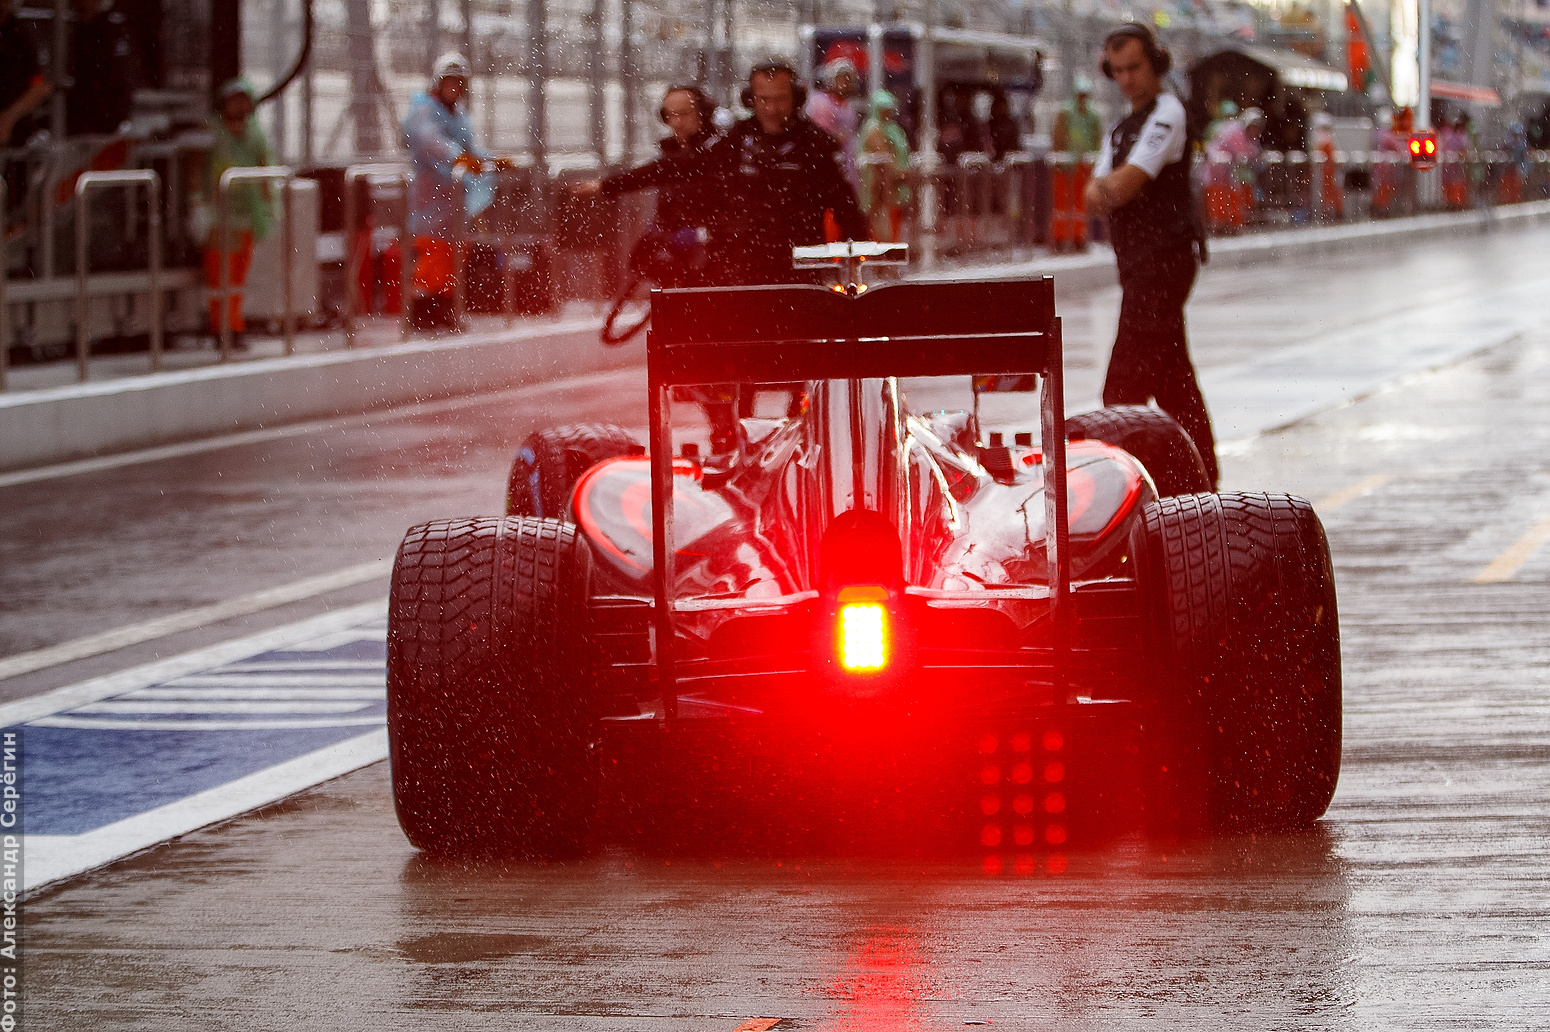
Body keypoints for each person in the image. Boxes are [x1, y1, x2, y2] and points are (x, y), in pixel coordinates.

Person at [1084, 23, 1217, 488]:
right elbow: (1092, 195)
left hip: (1163, 264)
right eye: (1117, 70)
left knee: (1123, 388)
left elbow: (1122, 185)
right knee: (1173, 383)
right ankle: (1201, 481)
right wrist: (1106, 189)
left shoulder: (1167, 113)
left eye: (1134, 68)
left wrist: (1109, 189)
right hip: (1139, 265)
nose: (1126, 79)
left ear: (1156, 64)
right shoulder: (1123, 128)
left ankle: (1124, 487)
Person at [705, 57, 867, 287]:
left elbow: (848, 210)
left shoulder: (817, 145)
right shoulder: (733, 142)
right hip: (742, 271)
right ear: (750, 99)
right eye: (764, 99)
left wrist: (853, 266)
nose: (772, 109)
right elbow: (707, 195)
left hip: (801, 271)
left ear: (796, 98)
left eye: (780, 99)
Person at [571, 84, 719, 290]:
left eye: (684, 114)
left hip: (711, 248)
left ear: (703, 114)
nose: (676, 122)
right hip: (677, 241)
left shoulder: (716, 150)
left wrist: (703, 232)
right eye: (670, 115)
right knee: (643, 260)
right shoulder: (672, 152)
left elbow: (658, 171)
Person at [401, 52, 498, 331]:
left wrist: (489, 160)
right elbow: (431, 142)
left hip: (453, 196)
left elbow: (469, 146)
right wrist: (459, 157)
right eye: (449, 82)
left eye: (459, 83)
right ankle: (423, 309)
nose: (454, 88)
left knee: (454, 251)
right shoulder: (424, 110)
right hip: (430, 194)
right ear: (438, 83)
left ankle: (445, 306)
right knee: (433, 250)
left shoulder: (458, 115)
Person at [194, 78, 273, 350]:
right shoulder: (211, 131)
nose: (239, 106)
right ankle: (220, 327)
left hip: (245, 215)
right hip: (218, 216)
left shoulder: (254, 135)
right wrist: (198, 204)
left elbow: (263, 168)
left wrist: (268, 206)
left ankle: (235, 324)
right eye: (234, 100)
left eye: (243, 100)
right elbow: (197, 169)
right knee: (220, 274)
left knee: (238, 274)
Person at [1, 0, 51, 238]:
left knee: (13, 204)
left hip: (17, 140)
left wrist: (10, 116)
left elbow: (41, 86)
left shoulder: (21, 34)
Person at [66, 0, 137, 136]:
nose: (78, 5)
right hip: (86, 114)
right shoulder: (82, 30)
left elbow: (120, 77)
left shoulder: (109, 29)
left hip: (103, 116)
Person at [1051, 76, 1102, 251]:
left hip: (1083, 166)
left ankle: (1078, 236)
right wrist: (1060, 159)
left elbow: (1096, 139)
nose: (1082, 99)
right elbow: (1058, 137)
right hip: (1065, 164)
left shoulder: (1092, 116)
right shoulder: (1065, 113)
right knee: (1062, 202)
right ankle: (1060, 236)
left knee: (1080, 202)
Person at [855, 88, 910, 243]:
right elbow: (882, 154)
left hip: (893, 187)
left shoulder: (892, 128)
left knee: (892, 223)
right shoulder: (874, 128)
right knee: (880, 226)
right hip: (879, 187)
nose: (889, 112)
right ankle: (882, 253)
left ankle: (889, 250)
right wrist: (897, 172)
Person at [805, 57, 860, 188]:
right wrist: (836, 136)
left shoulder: (847, 106)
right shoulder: (821, 102)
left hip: (846, 160)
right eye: (840, 79)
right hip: (827, 160)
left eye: (848, 79)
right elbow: (821, 134)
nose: (844, 83)